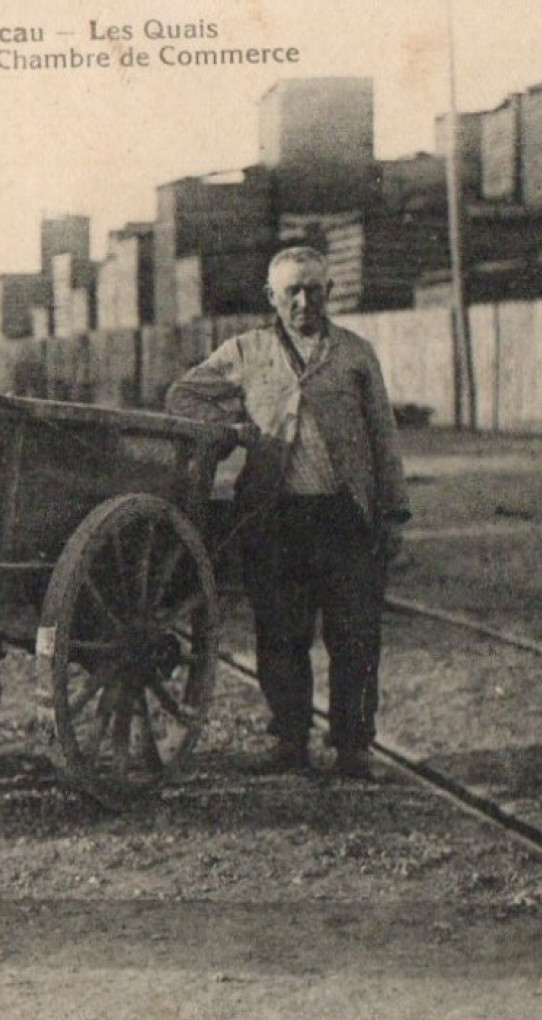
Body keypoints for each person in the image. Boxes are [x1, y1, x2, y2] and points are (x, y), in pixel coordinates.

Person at [166, 246, 410, 780]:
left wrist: (392, 514)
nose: (303, 301)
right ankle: (290, 743)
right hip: (274, 521)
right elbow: (183, 396)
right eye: (291, 292)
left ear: (330, 293)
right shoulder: (246, 351)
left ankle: (354, 747)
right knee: (280, 636)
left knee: (355, 637)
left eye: (314, 290)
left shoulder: (354, 355)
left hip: (346, 518)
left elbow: (383, 439)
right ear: (271, 298)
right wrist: (234, 431)